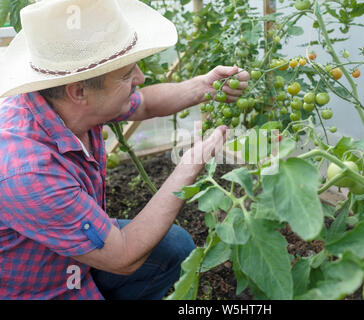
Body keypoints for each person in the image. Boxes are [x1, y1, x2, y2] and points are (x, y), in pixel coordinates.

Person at [0, 0, 249, 299]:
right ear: (78, 91)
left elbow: (144, 103)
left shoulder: (68, 102)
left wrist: (203, 86)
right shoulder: (27, 172)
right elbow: (124, 257)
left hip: (74, 261)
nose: (140, 78)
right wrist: (190, 164)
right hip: (43, 288)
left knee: (173, 246)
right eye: (127, 73)